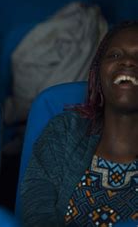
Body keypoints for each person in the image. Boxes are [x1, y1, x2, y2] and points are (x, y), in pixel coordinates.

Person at [20, 21, 138, 226]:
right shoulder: (64, 132)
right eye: (115, 55)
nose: (127, 62)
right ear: (98, 74)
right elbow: (36, 211)